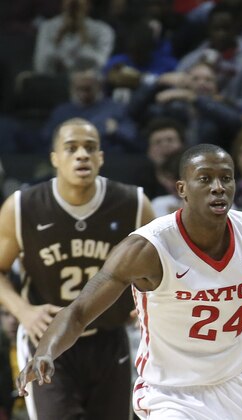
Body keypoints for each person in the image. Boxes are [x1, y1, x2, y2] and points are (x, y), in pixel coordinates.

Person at [16, 144, 242, 420]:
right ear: (182, 189)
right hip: (174, 393)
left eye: (226, 178)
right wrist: (46, 351)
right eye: (205, 179)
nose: (218, 187)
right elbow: (79, 311)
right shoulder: (147, 249)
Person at [0, 118, 154, 420]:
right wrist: (23, 311)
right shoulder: (22, 207)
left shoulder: (133, 203)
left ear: (101, 158)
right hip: (47, 342)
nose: (81, 154)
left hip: (110, 337)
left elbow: (162, 267)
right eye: (71, 148)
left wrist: (150, 300)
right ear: (55, 158)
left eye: (90, 148)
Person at [33, 0, 115, 75]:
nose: (73, 5)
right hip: (54, 84)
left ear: (89, 4)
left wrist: (84, 41)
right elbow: (41, 66)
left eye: (78, 3)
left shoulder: (102, 30)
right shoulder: (48, 27)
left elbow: (101, 66)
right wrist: (58, 40)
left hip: (87, 84)